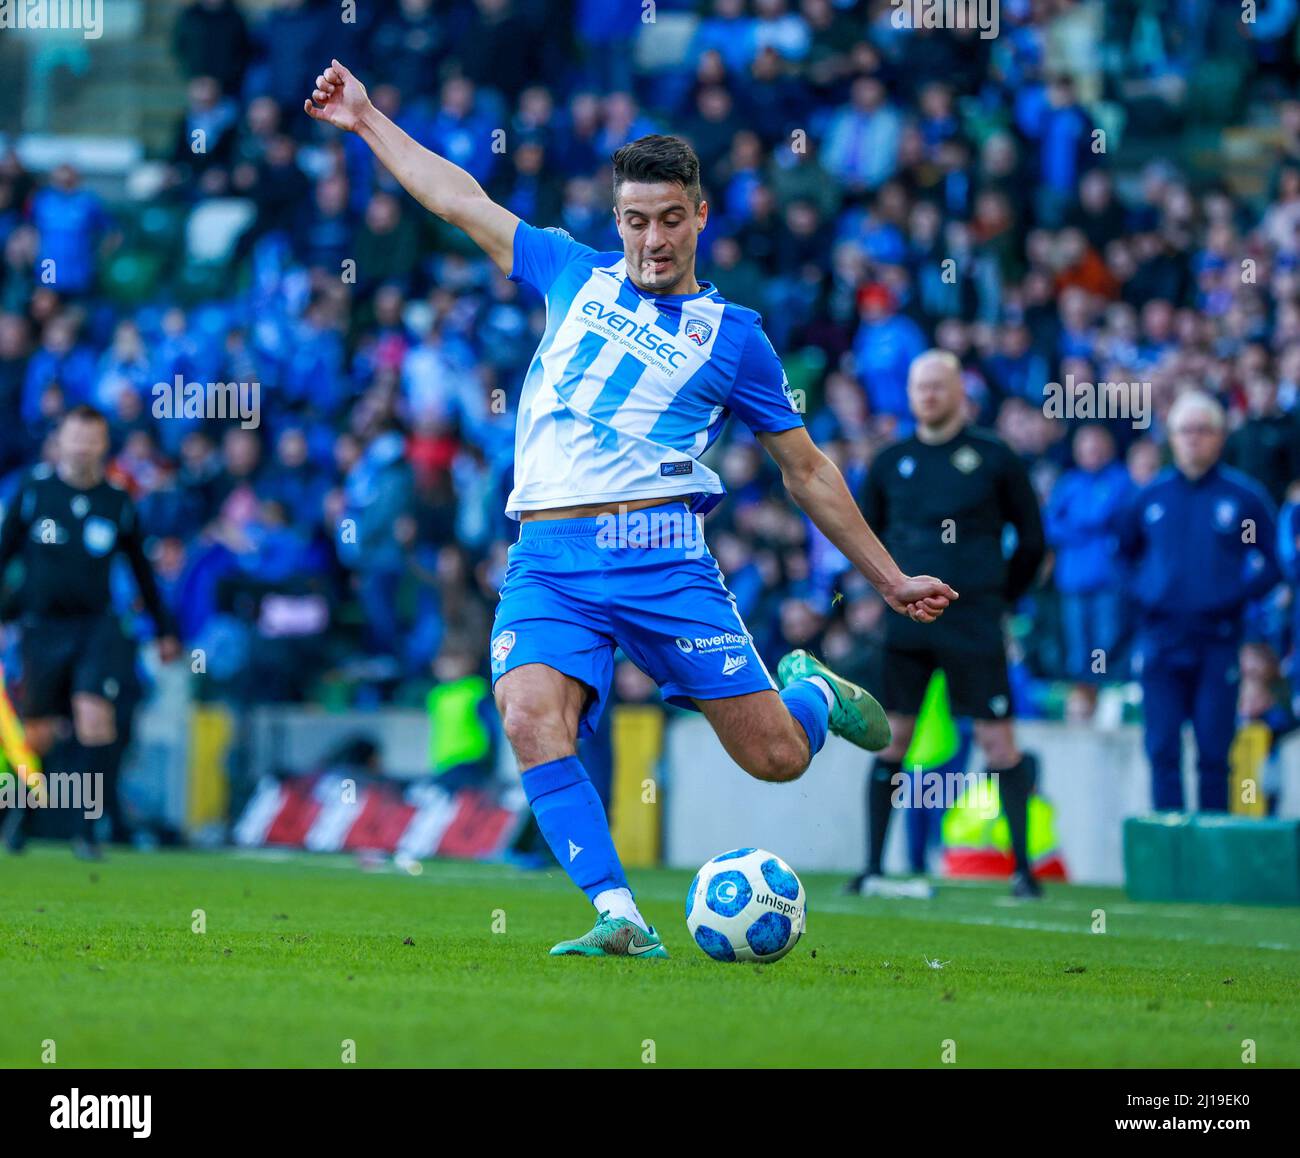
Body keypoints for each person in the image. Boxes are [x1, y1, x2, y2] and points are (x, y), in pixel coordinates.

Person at [305, 60, 958, 958]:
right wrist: (370, 119)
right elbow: (457, 199)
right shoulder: (569, 270)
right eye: (636, 221)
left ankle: (809, 693)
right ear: (618, 221)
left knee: (773, 757)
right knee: (531, 715)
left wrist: (884, 579)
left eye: (669, 220)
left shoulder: (737, 339)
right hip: (547, 557)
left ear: (700, 216)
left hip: (660, 557)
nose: (653, 239)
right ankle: (620, 914)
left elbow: (805, 471)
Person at [851, 351, 1047, 899]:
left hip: (974, 620)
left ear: (960, 391)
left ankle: (1024, 872)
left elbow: (1032, 540)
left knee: (998, 740)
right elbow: (868, 538)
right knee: (891, 738)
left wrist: (997, 597)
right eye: (920, 387)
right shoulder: (891, 461)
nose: (929, 396)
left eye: (938, 386)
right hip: (908, 625)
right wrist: (884, 595)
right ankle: (870, 868)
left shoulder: (995, 456)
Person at [0, 406, 180, 858]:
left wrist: (164, 630)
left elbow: (141, 570)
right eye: (74, 437)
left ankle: (85, 828)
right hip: (41, 627)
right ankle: (27, 813)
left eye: (91, 438)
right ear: (59, 441)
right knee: (39, 731)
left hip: (96, 626)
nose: (82, 446)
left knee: (95, 717)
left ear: (103, 444)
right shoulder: (32, 493)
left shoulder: (117, 501)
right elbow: (3, 555)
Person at [1116, 391, 1280, 812]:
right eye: (1185, 431)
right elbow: (1123, 557)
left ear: (1220, 437)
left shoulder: (1242, 499)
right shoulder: (1150, 498)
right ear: (1171, 436)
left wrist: (1230, 596)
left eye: (1203, 431)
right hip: (1161, 640)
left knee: (1213, 752)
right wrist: (1147, 594)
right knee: (1163, 749)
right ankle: (1170, 856)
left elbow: (1270, 562)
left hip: (1218, 640)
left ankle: (1210, 858)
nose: (1194, 439)